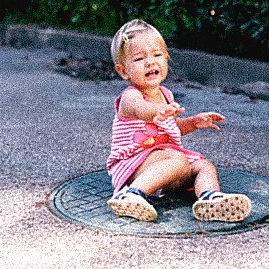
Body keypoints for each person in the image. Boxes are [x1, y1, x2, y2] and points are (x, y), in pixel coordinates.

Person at [106, 19, 252, 222]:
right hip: (134, 165)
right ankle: (130, 194)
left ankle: (210, 199)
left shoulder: (166, 95)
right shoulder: (131, 97)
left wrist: (193, 122)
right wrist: (158, 111)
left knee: (203, 165)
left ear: (166, 59)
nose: (150, 62)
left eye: (157, 55)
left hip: (168, 165)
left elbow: (171, 128)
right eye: (139, 59)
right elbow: (142, 110)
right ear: (123, 71)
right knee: (179, 160)